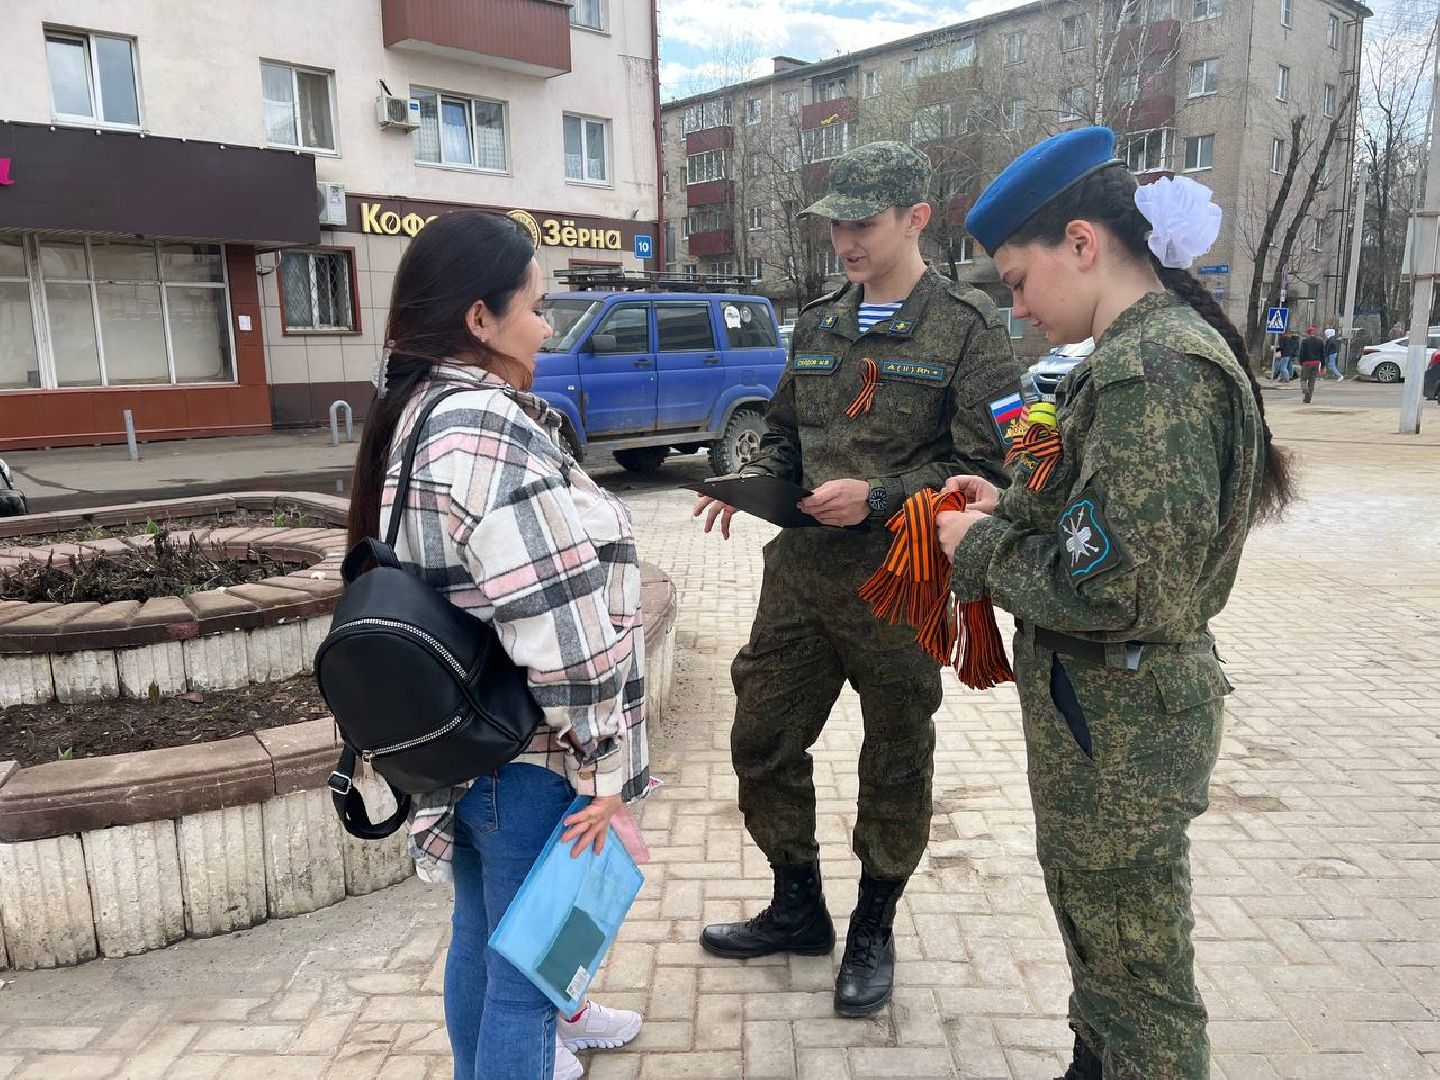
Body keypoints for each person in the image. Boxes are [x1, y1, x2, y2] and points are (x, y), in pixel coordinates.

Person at [936, 127, 1294, 1079]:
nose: (1015, 308)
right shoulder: (1120, 358)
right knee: (1100, 927)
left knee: (1139, 967)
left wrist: (983, 551)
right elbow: (1094, 518)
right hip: (1098, 710)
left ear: (1082, 244)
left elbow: (1127, 589)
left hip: (1123, 716)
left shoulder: (1154, 373)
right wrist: (1006, 505)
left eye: (1017, 280)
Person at [693, 140, 1024, 1017]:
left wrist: (879, 496)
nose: (844, 238)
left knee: (896, 755)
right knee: (760, 740)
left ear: (916, 217)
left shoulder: (970, 327)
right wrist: (752, 481)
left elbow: (990, 466)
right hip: (800, 578)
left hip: (901, 583)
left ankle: (873, 925)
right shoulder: (819, 319)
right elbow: (787, 425)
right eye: (834, 221)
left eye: (861, 222)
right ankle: (798, 905)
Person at [347, 210, 649, 1080]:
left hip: (472, 752)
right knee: (526, 985)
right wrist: (600, 766)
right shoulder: (483, 424)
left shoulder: (418, 412)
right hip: (533, 759)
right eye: (538, 306)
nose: (548, 326)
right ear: (479, 319)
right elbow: (556, 619)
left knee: (483, 947)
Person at [1298, 324, 1326, 402]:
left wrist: (1301, 362)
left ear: (1308, 333)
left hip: (1306, 363)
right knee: (1312, 380)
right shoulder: (1320, 342)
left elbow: (1301, 353)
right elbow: (1323, 354)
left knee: (1303, 379)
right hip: (1316, 363)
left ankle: (1305, 389)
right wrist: (1323, 365)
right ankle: (1308, 399)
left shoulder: (1305, 341)